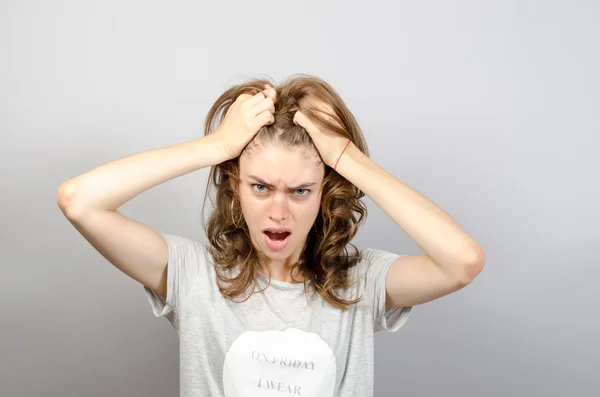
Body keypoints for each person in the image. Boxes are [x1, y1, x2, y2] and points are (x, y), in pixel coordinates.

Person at [57, 74, 485, 397]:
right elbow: (79, 200)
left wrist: (344, 157)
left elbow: (462, 261)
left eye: (300, 191)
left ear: (324, 193)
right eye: (260, 187)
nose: (278, 213)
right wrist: (217, 147)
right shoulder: (193, 276)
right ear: (235, 187)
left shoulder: (362, 283)